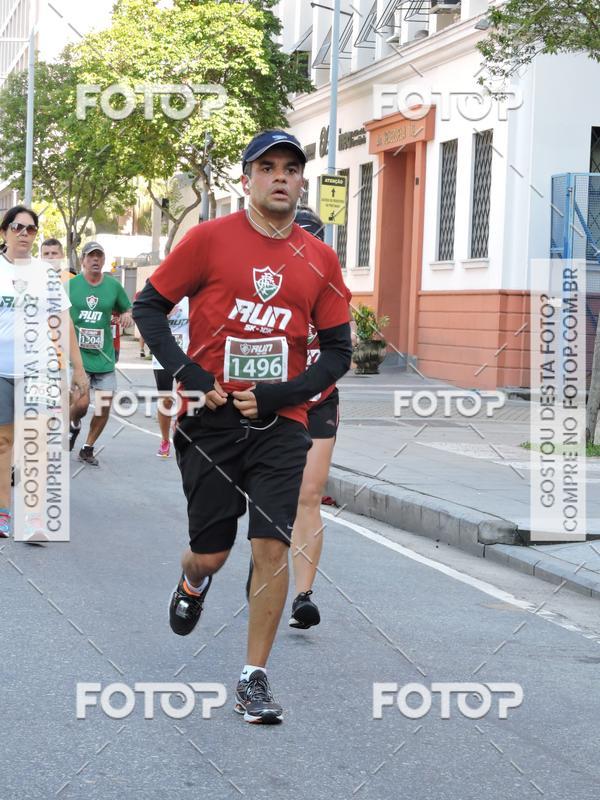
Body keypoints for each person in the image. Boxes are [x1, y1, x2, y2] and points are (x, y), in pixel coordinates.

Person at [134, 129, 352, 724]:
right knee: (212, 554)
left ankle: (253, 677)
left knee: (271, 546)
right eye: (268, 167)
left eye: (291, 168)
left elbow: (336, 353)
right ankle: (191, 581)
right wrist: (192, 374)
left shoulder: (321, 258)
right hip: (209, 421)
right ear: (248, 179)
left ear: (301, 180)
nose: (281, 176)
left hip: (282, 423)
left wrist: (281, 394)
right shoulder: (207, 240)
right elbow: (146, 306)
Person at [245, 206, 352, 630]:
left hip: (319, 399)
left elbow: (343, 346)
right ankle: (262, 560)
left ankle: (302, 596)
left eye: (310, 241)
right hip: (271, 403)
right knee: (266, 500)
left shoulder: (331, 283)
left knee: (309, 495)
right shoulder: (261, 283)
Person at [0, 206, 86, 538]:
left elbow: (65, 323)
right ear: (5, 231)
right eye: (18, 227)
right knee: (5, 443)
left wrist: (78, 371)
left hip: (38, 371)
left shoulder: (45, 273)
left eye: (31, 229)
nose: (24, 233)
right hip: (2, 371)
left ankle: (34, 517)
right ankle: (4, 511)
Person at [66, 241, 132, 465]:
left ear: (104, 261)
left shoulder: (113, 287)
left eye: (99, 257)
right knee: (82, 405)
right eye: (91, 256)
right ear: (83, 260)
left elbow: (127, 308)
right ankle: (73, 425)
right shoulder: (71, 286)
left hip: (104, 358)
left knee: (103, 408)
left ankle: (88, 447)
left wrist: (127, 315)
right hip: (79, 359)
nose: (95, 260)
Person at [151, 297, 189, 458]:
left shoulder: (191, 299)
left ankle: (183, 434)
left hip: (186, 355)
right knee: (166, 400)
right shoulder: (161, 296)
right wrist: (163, 314)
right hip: (163, 357)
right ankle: (165, 440)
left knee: (186, 397)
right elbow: (146, 322)